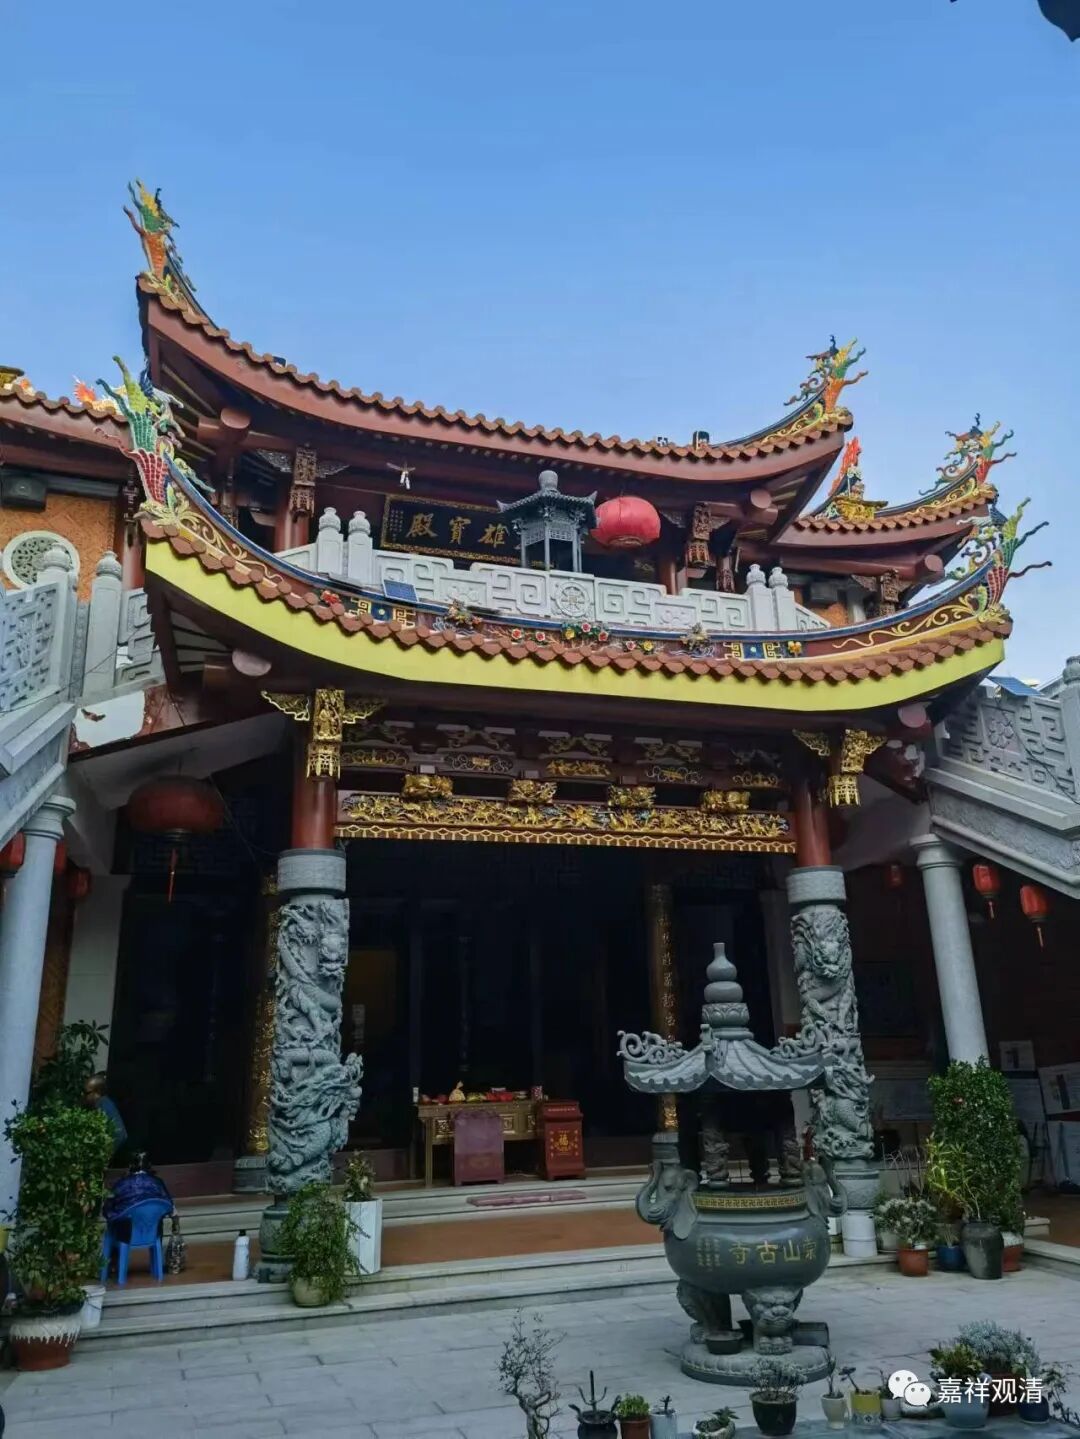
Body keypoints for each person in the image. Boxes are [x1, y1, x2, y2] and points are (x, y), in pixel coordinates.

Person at [103, 1153, 173, 1221]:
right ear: (149, 1165)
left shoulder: (121, 1183)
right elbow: (168, 1203)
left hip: (125, 1220)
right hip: (151, 1220)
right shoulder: (157, 1182)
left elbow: (109, 1205)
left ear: (130, 1166)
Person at [83, 1072, 127, 1158]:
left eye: (87, 1093)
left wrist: (105, 1155)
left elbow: (119, 1135)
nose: (84, 1096)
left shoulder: (104, 1105)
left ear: (98, 1092)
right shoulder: (100, 1104)